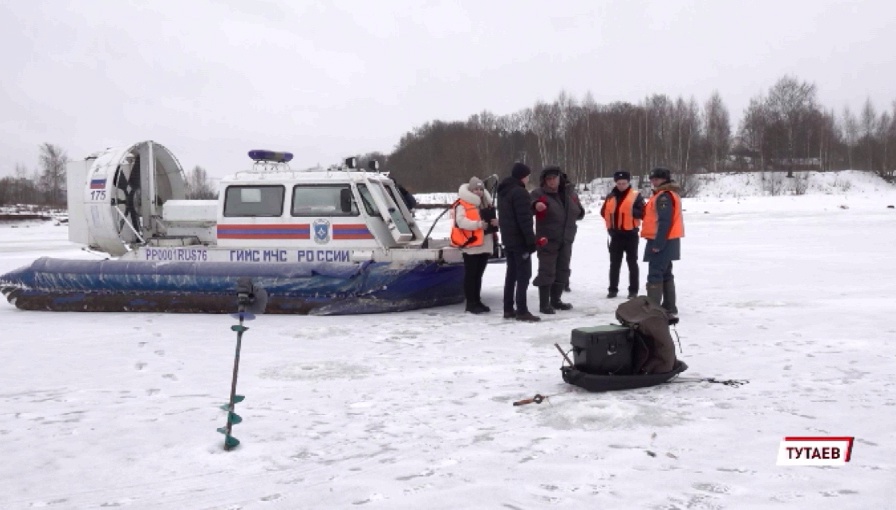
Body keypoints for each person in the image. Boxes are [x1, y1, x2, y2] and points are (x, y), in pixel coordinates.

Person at [531, 166, 585, 314]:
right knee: (546, 270)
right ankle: (544, 304)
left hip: (566, 238)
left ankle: (556, 300)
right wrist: (536, 205)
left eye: (554, 178)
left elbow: (580, 213)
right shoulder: (539, 193)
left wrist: (577, 208)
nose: (552, 181)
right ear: (544, 180)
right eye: (548, 179)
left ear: (560, 178)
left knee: (563, 270)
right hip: (547, 239)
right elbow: (530, 204)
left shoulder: (569, 193)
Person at [496, 163, 540, 322]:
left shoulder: (503, 191)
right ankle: (522, 310)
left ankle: (508, 308)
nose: (529, 179)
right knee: (524, 275)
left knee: (511, 274)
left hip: (508, 239)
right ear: (523, 176)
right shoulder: (520, 192)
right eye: (527, 176)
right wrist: (531, 241)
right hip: (519, 240)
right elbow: (524, 219)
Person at [642, 167, 684, 317]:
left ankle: (653, 310)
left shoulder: (664, 196)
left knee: (655, 274)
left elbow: (664, 222)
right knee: (666, 274)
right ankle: (669, 307)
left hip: (661, 241)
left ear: (664, 179)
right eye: (652, 179)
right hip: (669, 240)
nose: (654, 182)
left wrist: (658, 244)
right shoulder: (666, 194)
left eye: (657, 179)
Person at [451, 177, 498, 314]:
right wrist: (477, 225)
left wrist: (495, 222)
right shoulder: (462, 204)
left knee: (478, 275)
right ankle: (470, 303)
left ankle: (477, 301)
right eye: (475, 189)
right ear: (470, 190)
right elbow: (460, 221)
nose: (478, 192)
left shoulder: (486, 204)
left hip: (485, 244)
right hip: (471, 245)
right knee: (471, 275)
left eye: (481, 189)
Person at [600, 170, 645, 299]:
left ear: (628, 182)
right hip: (616, 235)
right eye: (619, 183)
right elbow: (603, 212)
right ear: (615, 183)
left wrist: (631, 212)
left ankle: (633, 291)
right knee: (614, 264)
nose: (621, 185)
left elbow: (643, 213)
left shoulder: (636, 196)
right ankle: (612, 289)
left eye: (624, 183)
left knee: (632, 263)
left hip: (631, 235)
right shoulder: (610, 196)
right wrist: (611, 226)